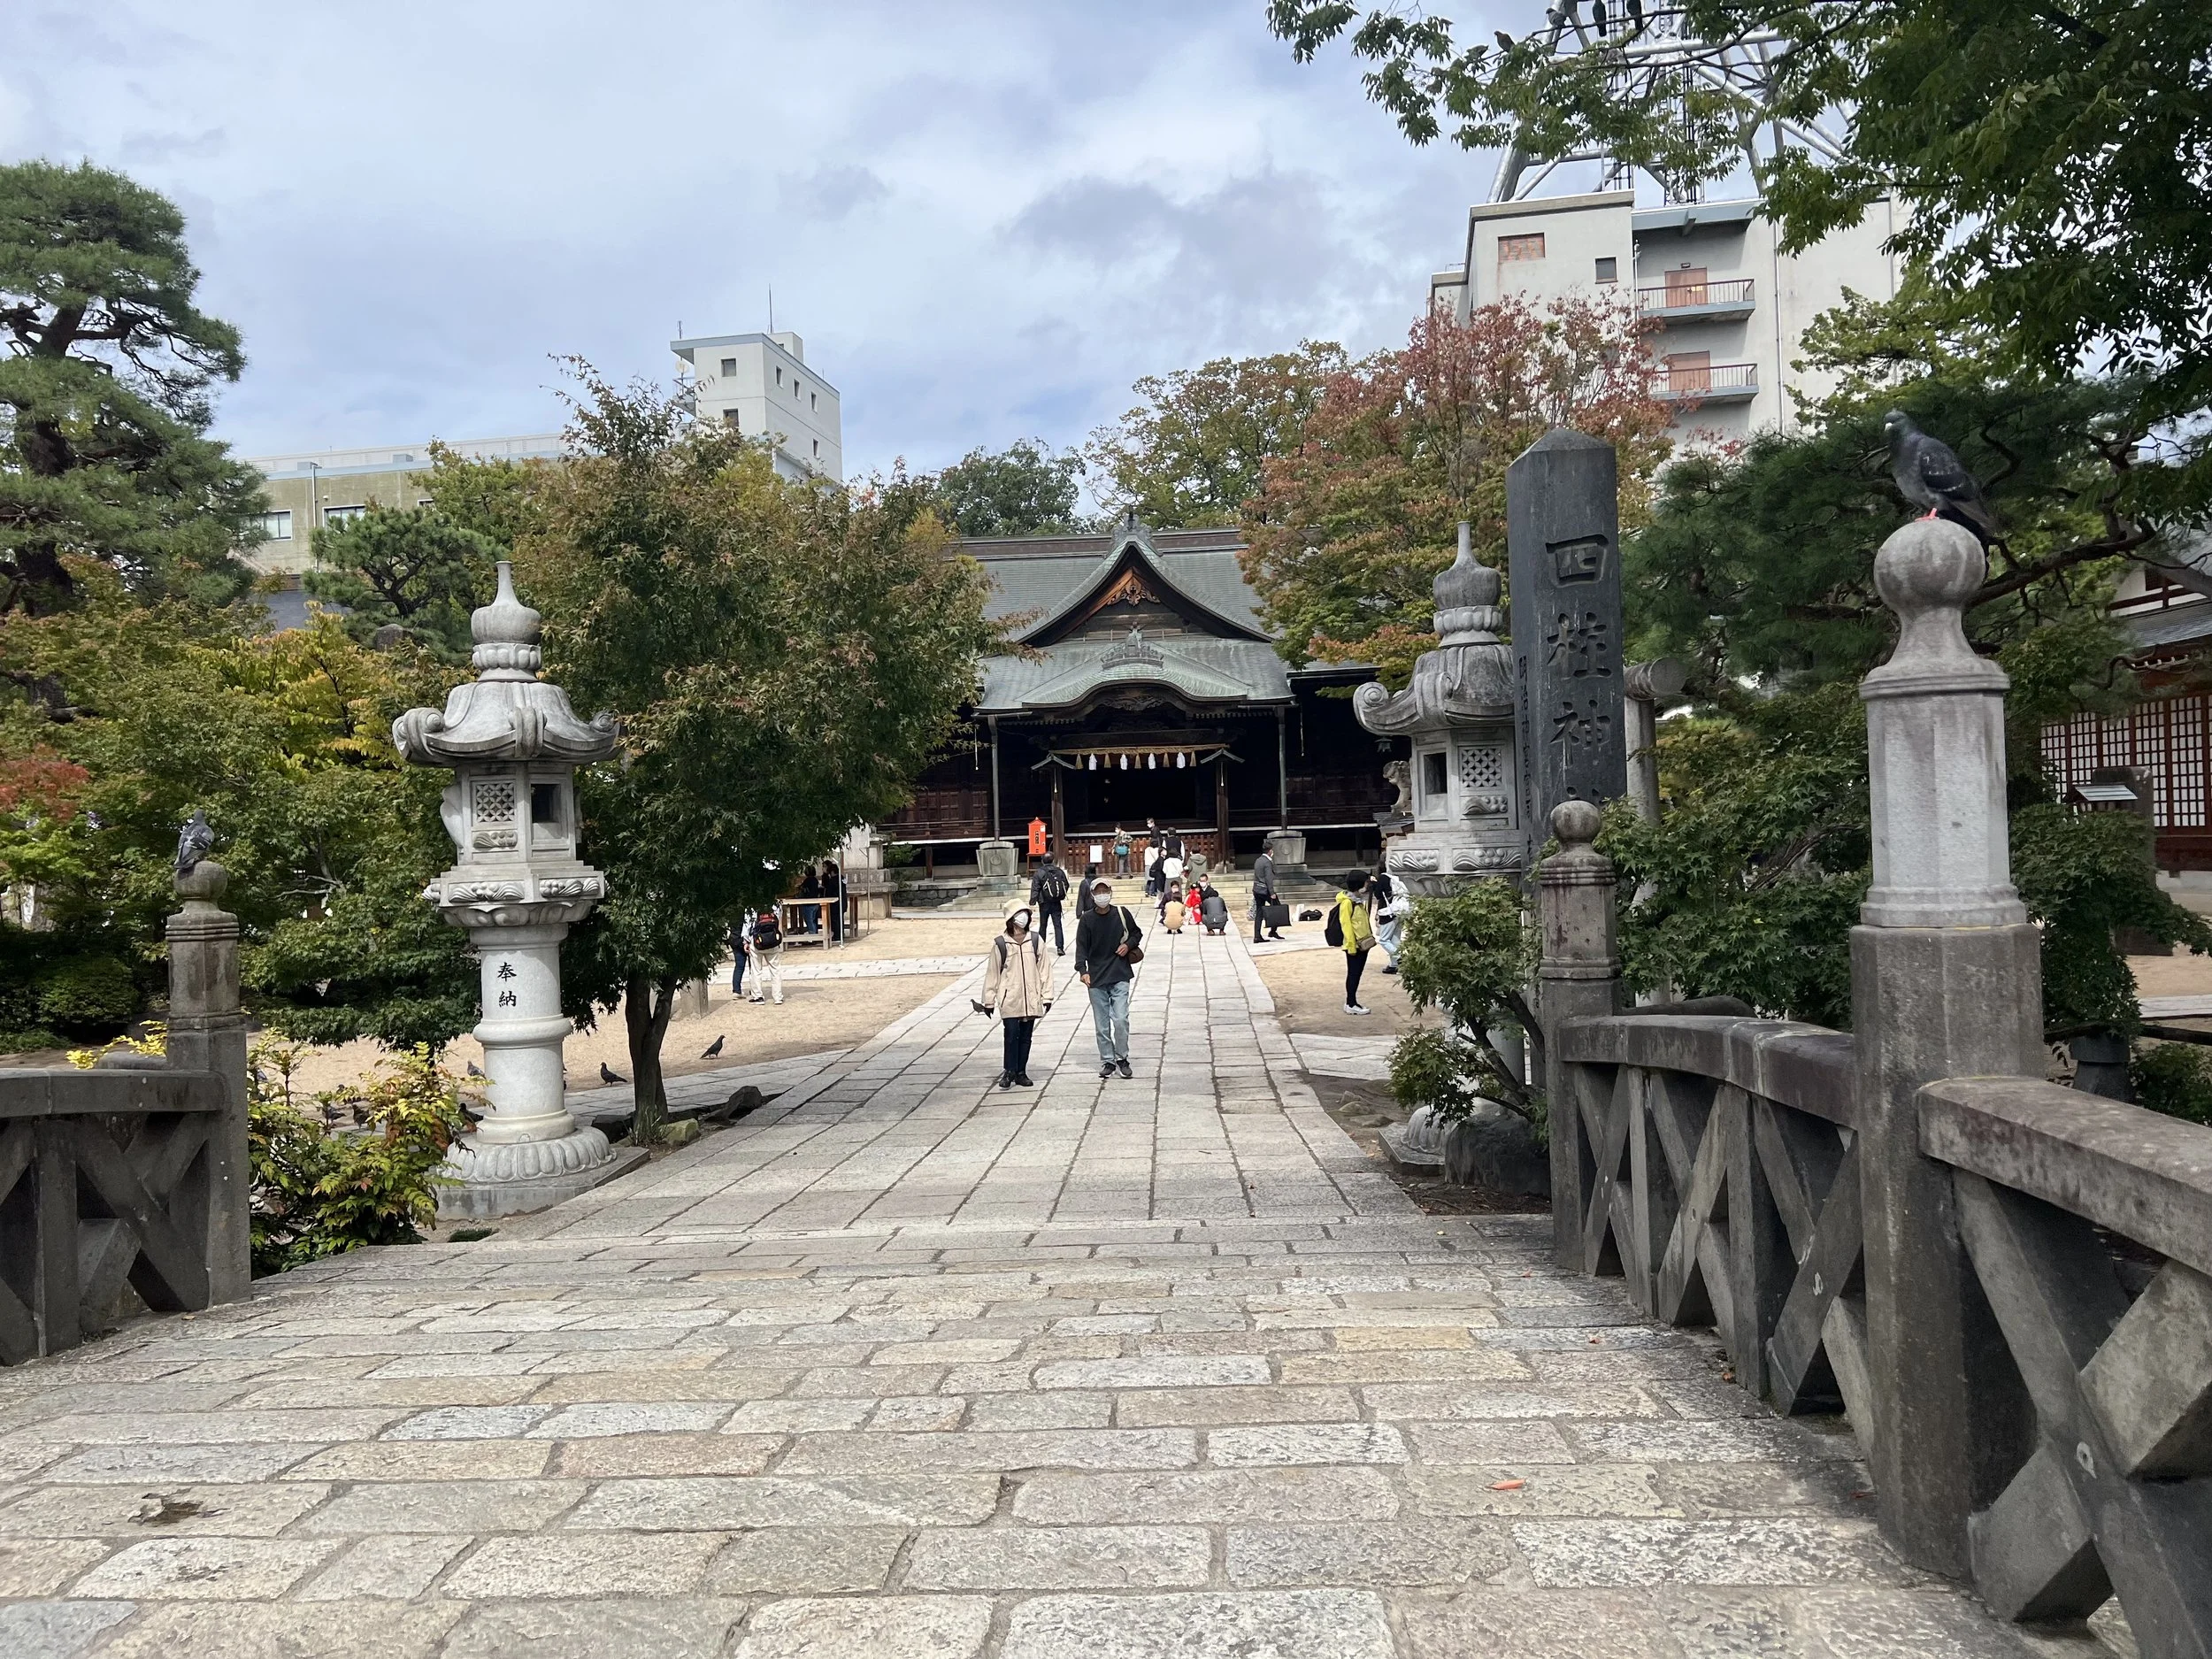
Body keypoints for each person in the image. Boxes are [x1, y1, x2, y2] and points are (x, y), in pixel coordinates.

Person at [976, 900, 1052, 1088]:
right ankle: (1009, 1070)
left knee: (1026, 1036)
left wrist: (1047, 995)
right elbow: (993, 972)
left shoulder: (1035, 940)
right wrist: (989, 1000)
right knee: (1011, 1034)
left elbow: (1045, 969)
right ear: (1010, 919)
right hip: (1010, 997)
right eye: (1019, 913)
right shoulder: (1001, 944)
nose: (1023, 917)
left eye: (1025, 913)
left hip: (1031, 996)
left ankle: (1021, 1072)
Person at [1075, 880, 1142, 1079]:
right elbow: (1081, 947)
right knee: (1102, 1024)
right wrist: (1082, 970)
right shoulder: (1087, 919)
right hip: (1096, 976)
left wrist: (1128, 945)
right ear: (1092, 895)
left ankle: (1122, 1057)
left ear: (1111, 892)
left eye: (1105, 891)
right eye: (1098, 892)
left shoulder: (1121, 913)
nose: (1102, 895)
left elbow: (1136, 933)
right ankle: (1107, 1060)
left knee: (1121, 1019)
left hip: (1120, 972)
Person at [1332, 869, 1377, 1016]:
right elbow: (1346, 926)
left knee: (1356, 974)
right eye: (1365, 882)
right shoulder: (1348, 903)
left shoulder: (1357, 900)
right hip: (1355, 945)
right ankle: (1351, 1003)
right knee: (1353, 974)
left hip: (1362, 943)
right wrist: (1351, 946)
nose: (1367, 885)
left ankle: (1351, 1002)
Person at [1028, 854, 1071, 955]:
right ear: (1053, 860)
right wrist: (1061, 896)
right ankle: (1060, 947)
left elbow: (1036, 887)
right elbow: (1066, 884)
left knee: (1043, 925)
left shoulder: (1040, 872)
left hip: (1044, 902)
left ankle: (1041, 947)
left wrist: (1033, 901)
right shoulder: (1059, 871)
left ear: (1043, 861)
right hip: (1056, 902)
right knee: (1058, 924)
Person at [747, 904, 786, 1004]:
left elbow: (747, 925)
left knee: (756, 970)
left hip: (757, 942)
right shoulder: (776, 906)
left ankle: (758, 996)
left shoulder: (751, 907)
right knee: (775, 969)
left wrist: (745, 941)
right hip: (772, 940)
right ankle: (778, 997)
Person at [1372, 869, 1404, 973]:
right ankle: (1394, 965)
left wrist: (1374, 885)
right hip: (1399, 910)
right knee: (1395, 939)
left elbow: (1378, 895)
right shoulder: (1396, 876)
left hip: (1388, 911)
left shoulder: (1383, 878)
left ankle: (1400, 958)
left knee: (1384, 940)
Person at [1251, 844, 1281, 942]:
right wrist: (1272, 892)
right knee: (1277, 908)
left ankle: (1257, 935)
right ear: (1270, 851)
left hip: (1257, 889)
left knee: (1259, 912)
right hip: (1265, 890)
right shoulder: (1267, 862)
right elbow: (1268, 878)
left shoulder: (1258, 860)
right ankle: (1273, 930)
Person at [819, 859, 843, 943]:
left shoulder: (833, 881)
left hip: (835, 904)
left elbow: (829, 891)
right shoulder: (841, 878)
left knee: (835, 920)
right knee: (839, 919)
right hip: (841, 902)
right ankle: (840, 934)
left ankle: (837, 936)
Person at [727, 915, 749, 997]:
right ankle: (755, 990)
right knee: (754, 967)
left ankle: (736, 990)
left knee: (739, 966)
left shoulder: (733, 913)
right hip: (746, 940)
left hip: (735, 939)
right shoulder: (748, 912)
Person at [796, 865, 822, 933]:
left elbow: (802, 888)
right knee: (813, 920)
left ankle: (812, 936)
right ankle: (815, 934)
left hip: (808, 903)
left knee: (809, 920)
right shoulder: (815, 880)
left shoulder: (807, 880)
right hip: (816, 903)